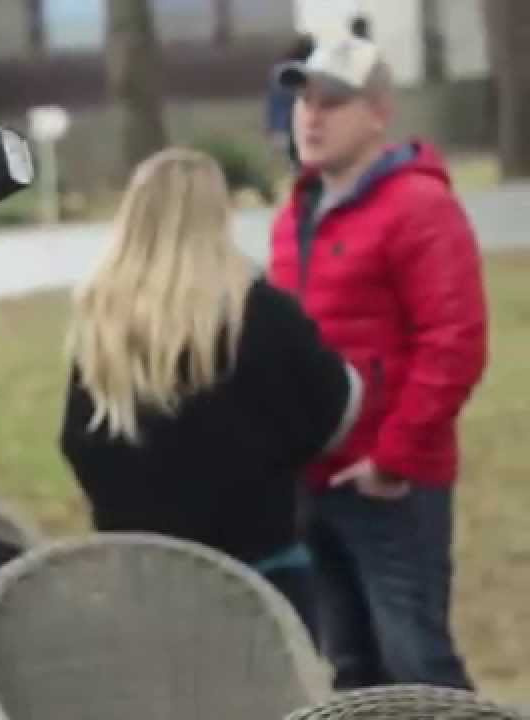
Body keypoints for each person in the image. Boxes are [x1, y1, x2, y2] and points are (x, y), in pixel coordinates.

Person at [59, 148, 362, 635]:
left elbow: (78, 441)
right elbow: (334, 408)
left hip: (143, 572)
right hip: (262, 568)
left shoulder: (103, 321)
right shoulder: (262, 312)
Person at [270, 34, 487, 690]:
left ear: (379, 112)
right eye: (304, 98)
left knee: (417, 662)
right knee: (351, 668)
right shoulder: (297, 210)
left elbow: (454, 343)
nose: (311, 114)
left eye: (332, 100)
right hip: (314, 480)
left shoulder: (420, 207)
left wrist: (394, 458)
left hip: (390, 483)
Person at [267, 33, 315, 170]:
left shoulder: (281, 69)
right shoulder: (307, 70)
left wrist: (273, 127)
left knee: (293, 163)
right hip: (295, 125)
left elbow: (273, 103)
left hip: (285, 125)